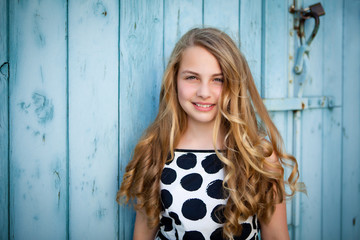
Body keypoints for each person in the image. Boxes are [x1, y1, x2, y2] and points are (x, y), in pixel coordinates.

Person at [117, 27, 304, 240]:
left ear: (234, 84)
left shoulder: (258, 155)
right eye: (192, 77)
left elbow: (277, 236)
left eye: (218, 79)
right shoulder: (155, 151)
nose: (204, 92)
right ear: (174, 79)